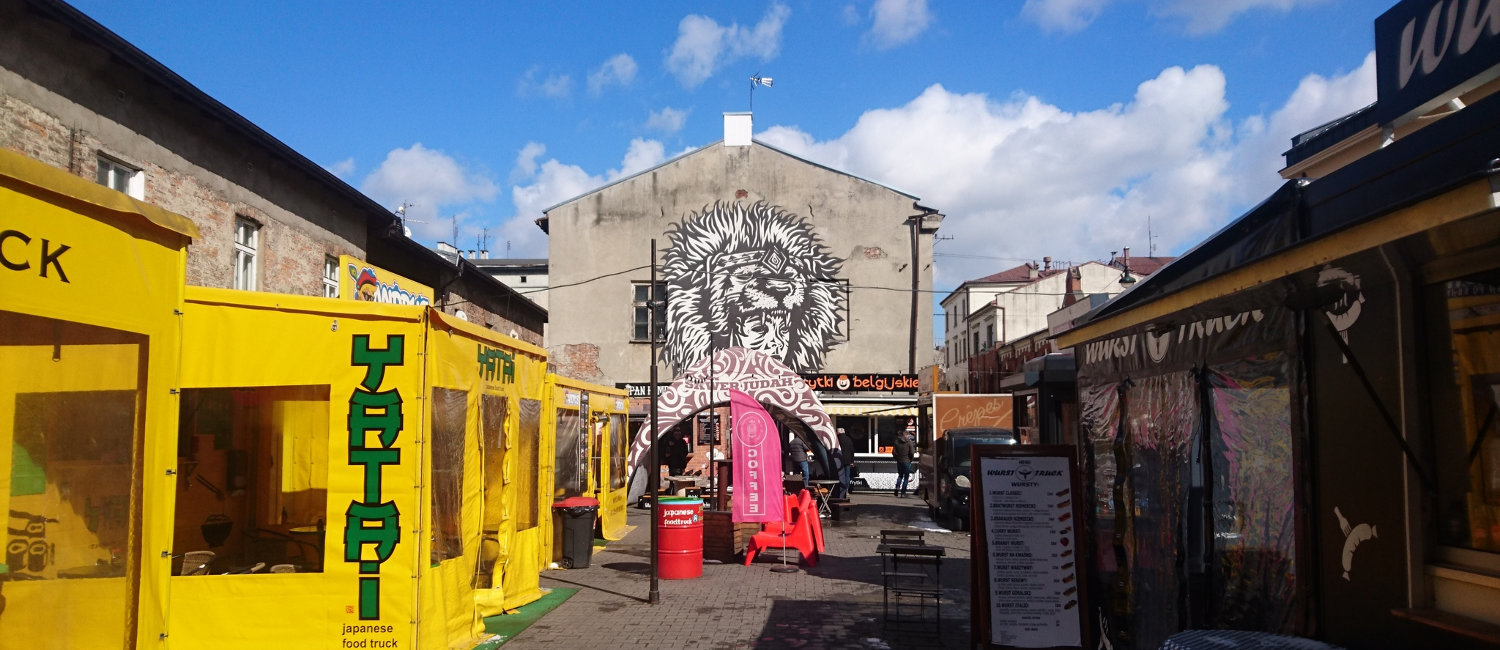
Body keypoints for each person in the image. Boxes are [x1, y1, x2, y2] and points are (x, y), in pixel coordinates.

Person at [892, 424, 916, 498]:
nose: (908, 436)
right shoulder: (909, 442)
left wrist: (896, 458)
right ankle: (903, 492)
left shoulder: (897, 442)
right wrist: (910, 459)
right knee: (906, 477)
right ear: (906, 435)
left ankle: (897, 487)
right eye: (908, 435)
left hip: (899, 461)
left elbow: (893, 452)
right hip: (907, 461)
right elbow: (912, 452)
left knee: (900, 475)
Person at [834, 427, 856, 498]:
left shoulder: (837, 440)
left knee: (840, 475)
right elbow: (852, 450)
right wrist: (852, 461)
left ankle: (841, 490)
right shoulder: (849, 439)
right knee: (847, 476)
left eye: (836, 432)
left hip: (839, 460)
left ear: (838, 432)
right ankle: (846, 490)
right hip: (848, 460)